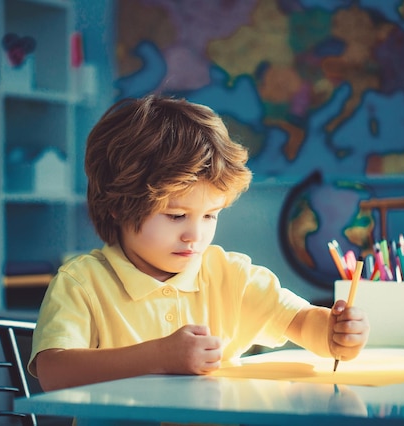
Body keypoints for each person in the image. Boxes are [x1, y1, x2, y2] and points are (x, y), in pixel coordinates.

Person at [29, 95, 370, 391]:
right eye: (176, 216)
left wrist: (332, 333)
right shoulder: (82, 283)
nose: (196, 235)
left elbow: (298, 321)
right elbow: (53, 371)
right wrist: (158, 357)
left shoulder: (231, 276)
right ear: (118, 205)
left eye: (210, 216)